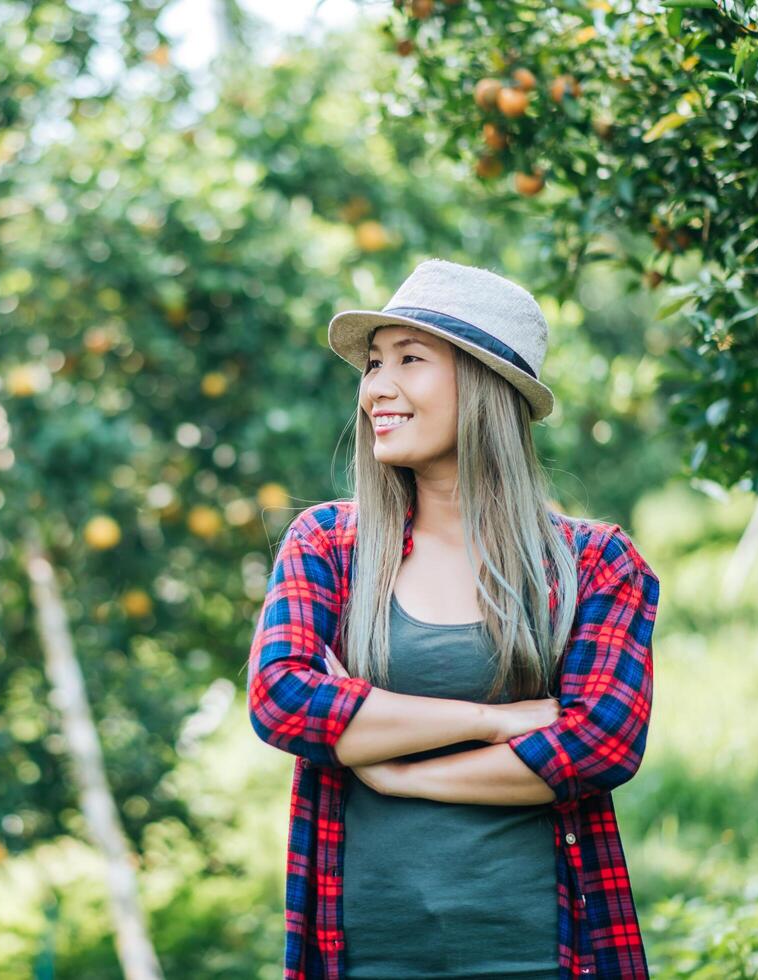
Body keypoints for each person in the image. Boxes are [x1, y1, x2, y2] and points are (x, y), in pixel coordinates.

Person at [247, 258, 661, 979]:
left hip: (542, 955)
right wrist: (494, 721)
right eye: (374, 364)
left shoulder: (595, 563)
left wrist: (394, 771)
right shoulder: (329, 546)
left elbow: (598, 745)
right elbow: (281, 701)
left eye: (410, 359)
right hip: (360, 956)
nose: (377, 387)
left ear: (483, 387)